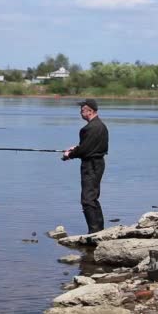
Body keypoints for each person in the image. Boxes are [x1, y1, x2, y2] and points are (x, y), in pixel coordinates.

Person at [61, 99, 109, 234]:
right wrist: (76, 148)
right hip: (98, 163)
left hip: (91, 165)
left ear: (90, 111)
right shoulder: (101, 125)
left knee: (87, 199)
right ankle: (99, 230)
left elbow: (85, 150)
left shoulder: (89, 128)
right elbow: (90, 146)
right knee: (92, 197)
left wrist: (69, 155)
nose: (80, 112)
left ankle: (94, 232)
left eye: (82, 110)